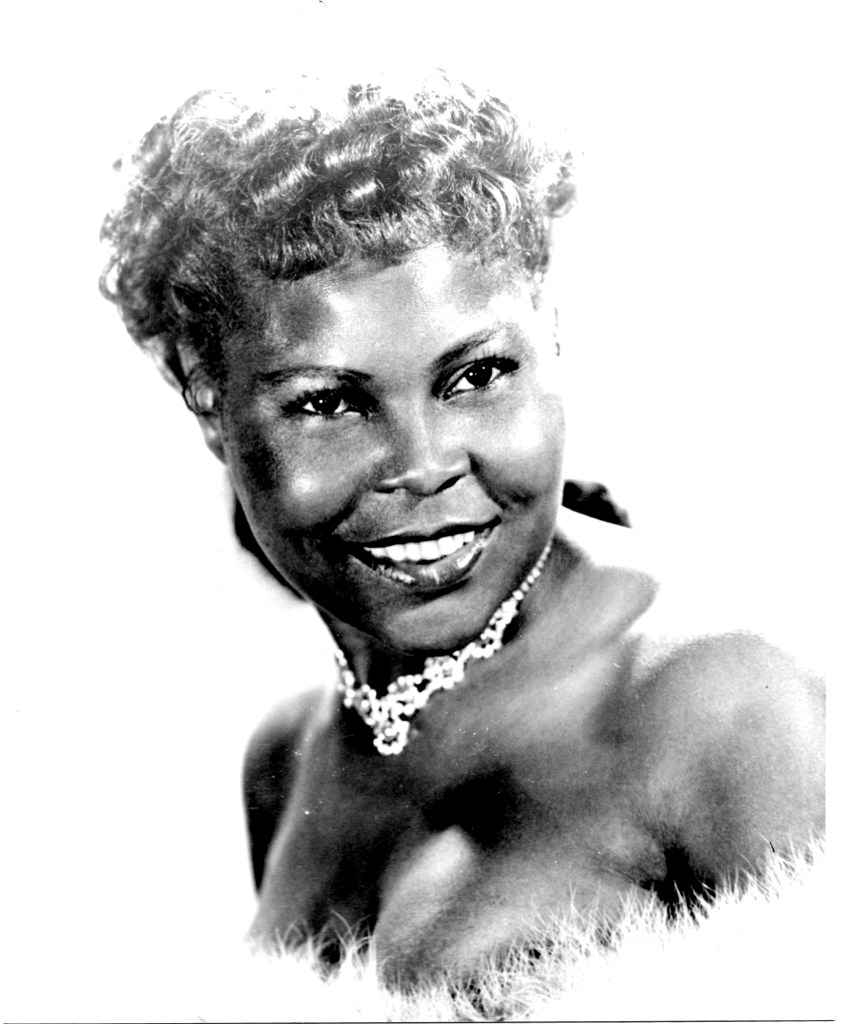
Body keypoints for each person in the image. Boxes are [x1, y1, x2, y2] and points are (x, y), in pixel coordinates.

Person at [100, 77, 824, 986]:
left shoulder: (729, 698)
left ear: (550, 334)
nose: (422, 465)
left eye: (477, 376)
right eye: (328, 402)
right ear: (206, 394)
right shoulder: (283, 758)